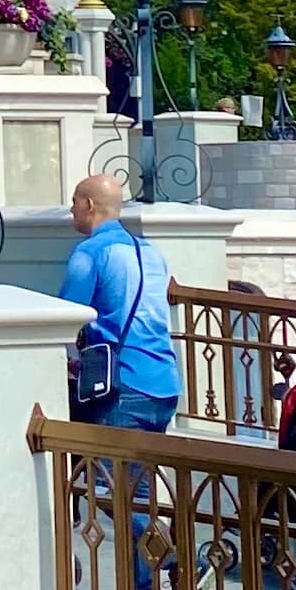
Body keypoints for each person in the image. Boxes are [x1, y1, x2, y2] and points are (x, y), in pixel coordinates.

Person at [61, 178, 178, 431]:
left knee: (109, 471)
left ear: (89, 205)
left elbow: (63, 320)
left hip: (121, 385)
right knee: (145, 469)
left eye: (74, 202)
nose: (71, 210)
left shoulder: (90, 252)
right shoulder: (151, 252)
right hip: (165, 383)